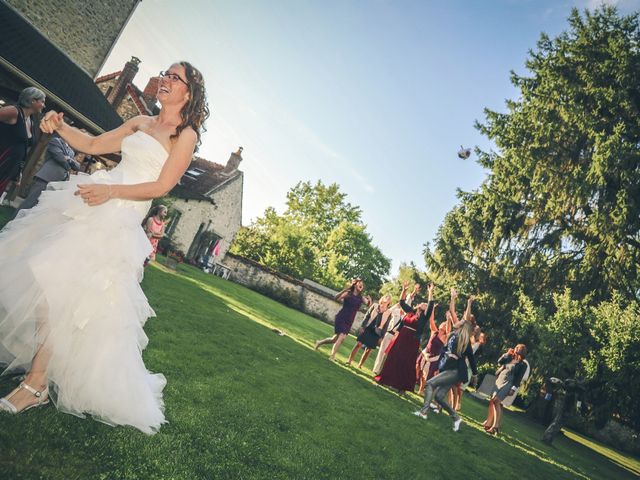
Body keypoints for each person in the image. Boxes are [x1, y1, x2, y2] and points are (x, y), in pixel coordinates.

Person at [0, 62, 209, 434]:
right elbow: (95, 144)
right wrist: (60, 125)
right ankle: (39, 374)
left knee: (62, 292)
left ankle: (36, 384)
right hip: (92, 200)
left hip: (118, 214)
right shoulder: (142, 122)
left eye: (174, 77)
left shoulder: (186, 134)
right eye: (165, 73)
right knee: (45, 277)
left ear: (188, 92)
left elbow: (161, 186)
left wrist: (112, 192)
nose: (165, 79)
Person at [414, 288, 477, 432]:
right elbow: (452, 311)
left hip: (455, 371)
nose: (456, 319)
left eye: (460, 321)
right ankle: (456, 418)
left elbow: (472, 359)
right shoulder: (455, 332)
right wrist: (453, 297)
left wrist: (469, 304)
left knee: (429, 384)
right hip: (448, 368)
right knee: (441, 397)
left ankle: (423, 412)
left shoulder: (464, 339)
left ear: (463, 326)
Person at [375, 282, 434, 393]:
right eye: (423, 303)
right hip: (401, 337)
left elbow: (430, 304)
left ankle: (401, 387)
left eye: (425, 305)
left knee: (406, 362)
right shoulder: (410, 311)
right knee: (393, 357)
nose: (424, 304)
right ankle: (385, 379)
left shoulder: (424, 317)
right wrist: (404, 290)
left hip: (412, 341)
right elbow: (402, 302)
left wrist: (430, 292)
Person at [0, 87, 45, 196]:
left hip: (9, 167)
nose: (44, 105)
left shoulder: (31, 120)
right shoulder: (13, 111)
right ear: (33, 100)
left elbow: (23, 148)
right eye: (42, 101)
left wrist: (18, 171)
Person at [17, 133, 80, 211]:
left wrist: (69, 159)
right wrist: (69, 164)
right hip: (45, 179)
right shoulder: (55, 141)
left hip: (57, 183)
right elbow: (60, 158)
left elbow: (77, 167)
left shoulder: (71, 151)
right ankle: (13, 222)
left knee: (40, 209)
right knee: (29, 204)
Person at [315, 279, 371, 361]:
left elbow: (368, 305)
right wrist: (343, 291)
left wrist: (370, 300)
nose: (361, 285)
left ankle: (319, 342)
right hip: (342, 317)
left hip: (349, 320)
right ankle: (332, 356)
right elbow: (336, 298)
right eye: (360, 283)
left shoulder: (361, 298)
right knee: (341, 338)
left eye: (362, 285)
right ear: (355, 284)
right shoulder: (348, 293)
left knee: (334, 339)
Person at [483, 344, 528, 435]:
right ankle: (489, 423)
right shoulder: (510, 357)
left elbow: (519, 378)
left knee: (496, 401)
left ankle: (495, 426)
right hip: (500, 379)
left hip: (509, 383)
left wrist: (513, 389)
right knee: (493, 401)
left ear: (521, 351)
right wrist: (506, 354)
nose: (515, 348)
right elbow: (500, 362)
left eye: (517, 348)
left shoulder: (523, 364)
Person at [346, 294, 392, 368]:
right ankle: (349, 360)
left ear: (390, 301)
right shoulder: (375, 305)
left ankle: (360, 365)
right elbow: (367, 316)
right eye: (386, 296)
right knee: (358, 344)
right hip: (368, 327)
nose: (387, 298)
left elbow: (386, 325)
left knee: (368, 350)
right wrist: (362, 326)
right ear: (382, 298)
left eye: (389, 298)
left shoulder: (389, 312)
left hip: (377, 332)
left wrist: (382, 336)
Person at [416, 305, 447, 396]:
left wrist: (448, 319)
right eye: (442, 323)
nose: (443, 324)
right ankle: (416, 379)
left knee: (426, 374)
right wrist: (432, 308)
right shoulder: (435, 331)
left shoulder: (445, 337)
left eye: (445, 325)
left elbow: (449, 329)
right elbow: (431, 320)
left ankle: (421, 389)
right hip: (425, 352)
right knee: (417, 366)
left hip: (433, 357)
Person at [371, 302, 404, 375]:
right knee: (381, 351)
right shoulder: (396, 311)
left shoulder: (405, 316)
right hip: (388, 334)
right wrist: (397, 304)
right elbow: (389, 310)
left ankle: (382, 371)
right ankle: (376, 369)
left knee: (388, 355)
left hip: (395, 337)